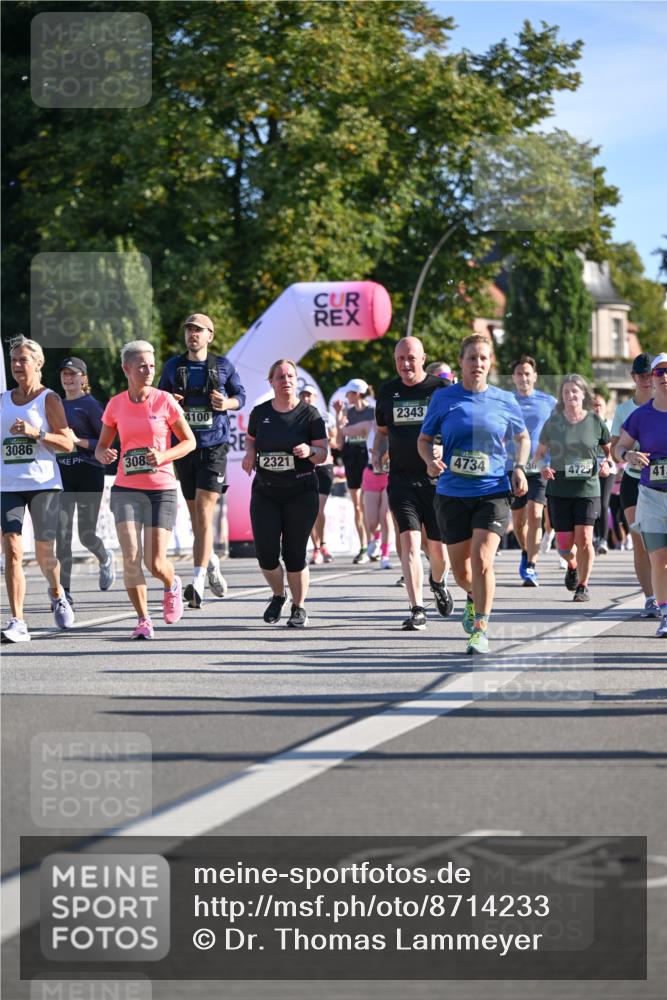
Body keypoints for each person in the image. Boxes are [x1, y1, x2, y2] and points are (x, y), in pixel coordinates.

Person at [418, 334, 530, 654]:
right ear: (461, 362)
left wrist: (519, 467)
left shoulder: (504, 400)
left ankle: (480, 627)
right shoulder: (443, 399)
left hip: (493, 490)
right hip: (452, 491)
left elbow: (522, 437)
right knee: (462, 572)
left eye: (483, 358)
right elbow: (424, 440)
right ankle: (471, 596)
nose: (478, 364)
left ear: (490, 362)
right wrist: (429, 461)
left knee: (482, 560)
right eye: (472, 358)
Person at [95, 340, 196, 639]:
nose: (148, 370)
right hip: (126, 487)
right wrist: (104, 455)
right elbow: (102, 446)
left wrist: (164, 455)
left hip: (160, 488)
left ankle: (171, 584)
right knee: (130, 555)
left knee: (154, 562)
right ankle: (142, 619)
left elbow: (189, 442)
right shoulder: (115, 404)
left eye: (151, 365)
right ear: (127, 368)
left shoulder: (165, 401)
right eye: (141, 365)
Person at [158, 313, 245, 608]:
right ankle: (212, 562)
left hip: (214, 446)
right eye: (189, 330)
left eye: (199, 330)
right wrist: (172, 400)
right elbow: (158, 401)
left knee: (205, 514)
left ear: (210, 335)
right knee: (197, 518)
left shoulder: (223, 366)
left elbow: (240, 396)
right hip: (184, 447)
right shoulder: (173, 366)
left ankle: (196, 582)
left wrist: (227, 403)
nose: (192, 334)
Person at [374, 336, 454, 631]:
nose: (405, 365)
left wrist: (446, 449)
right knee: (409, 542)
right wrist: (376, 451)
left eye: (411, 358)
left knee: (439, 551)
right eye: (400, 359)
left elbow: (457, 427)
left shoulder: (441, 390)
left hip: (437, 479)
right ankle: (417, 608)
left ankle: (438, 581)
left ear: (423, 358)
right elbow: (382, 431)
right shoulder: (387, 392)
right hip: (401, 479)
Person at [242, 359, 328, 628]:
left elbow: (323, 453)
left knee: (294, 554)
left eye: (290, 376)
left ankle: (299, 606)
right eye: (280, 377)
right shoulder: (260, 413)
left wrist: (310, 452)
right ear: (271, 382)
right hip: (266, 491)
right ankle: (279, 595)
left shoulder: (310, 414)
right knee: (266, 554)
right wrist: (249, 455)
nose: (286, 380)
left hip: (300, 491)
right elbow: (251, 439)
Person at [1, 336, 75, 642]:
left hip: (44, 484)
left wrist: (36, 432)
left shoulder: (49, 399)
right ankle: (17, 620)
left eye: (23, 360)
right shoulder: (3, 400)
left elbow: (68, 443)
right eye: (14, 359)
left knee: (45, 553)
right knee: (12, 549)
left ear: (38, 363)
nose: (17, 365)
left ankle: (57, 593)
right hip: (8, 486)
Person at [533, 374, 612, 603]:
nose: (570, 396)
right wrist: (543, 467)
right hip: (559, 490)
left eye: (575, 391)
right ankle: (572, 564)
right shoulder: (553, 422)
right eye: (566, 392)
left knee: (586, 538)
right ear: (562, 397)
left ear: (583, 395)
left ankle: (584, 586)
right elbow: (538, 455)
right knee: (565, 545)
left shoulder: (595, 421)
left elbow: (609, 451)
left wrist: (607, 463)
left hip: (588, 488)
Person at [615, 351, 667, 638]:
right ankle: (665, 612)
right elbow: (617, 448)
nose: (664, 377)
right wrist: (628, 454)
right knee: (658, 558)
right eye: (659, 372)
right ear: (652, 378)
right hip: (650, 494)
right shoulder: (640, 416)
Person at [55, 356, 115, 606]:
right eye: (65, 374)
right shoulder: (54, 403)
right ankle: (64, 592)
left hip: (89, 472)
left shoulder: (90, 405)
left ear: (84, 378)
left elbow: (106, 443)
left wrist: (76, 440)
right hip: (63, 474)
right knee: (62, 535)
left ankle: (105, 558)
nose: (68, 379)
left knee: (86, 534)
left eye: (73, 374)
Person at [507, 355, 557, 587]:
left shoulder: (549, 402)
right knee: (518, 521)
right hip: (512, 466)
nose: (524, 377)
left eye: (528, 373)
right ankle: (526, 552)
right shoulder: (506, 401)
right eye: (519, 373)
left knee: (535, 514)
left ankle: (531, 565)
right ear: (514, 377)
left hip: (539, 467)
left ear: (535, 376)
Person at [333, 378, 374, 563]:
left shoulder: (372, 412)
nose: (346, 396)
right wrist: (338, 416)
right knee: (357, 506)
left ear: (356, 393)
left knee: (368, 505)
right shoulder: (346, 413)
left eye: (348, 393)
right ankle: (364, 547)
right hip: (351, 458)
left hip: (369, 459)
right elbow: (339, 443)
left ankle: (376, 541)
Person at [299, 384, 335, 565]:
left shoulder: (327, 417)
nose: (306, 398)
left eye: (309, 395)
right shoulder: (296, 416)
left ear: (315, 398)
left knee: (319, 509)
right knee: (312, 510)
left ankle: (322, 544)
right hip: (307, 466)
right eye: (303, 395)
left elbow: (336, 442)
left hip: (325, 466)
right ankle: (317, 547)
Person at [592, 392, 616, 555]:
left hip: (609, 467)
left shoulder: (612, 425)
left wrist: (607, 462)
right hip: (591, 468)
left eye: (599, 405)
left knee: (604, 503)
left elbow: (615, 448)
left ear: (606, 408)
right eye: (594, 405)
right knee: (592, 504)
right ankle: (593, 536)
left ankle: (603, 540)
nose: (597, 408)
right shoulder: (586, 425)